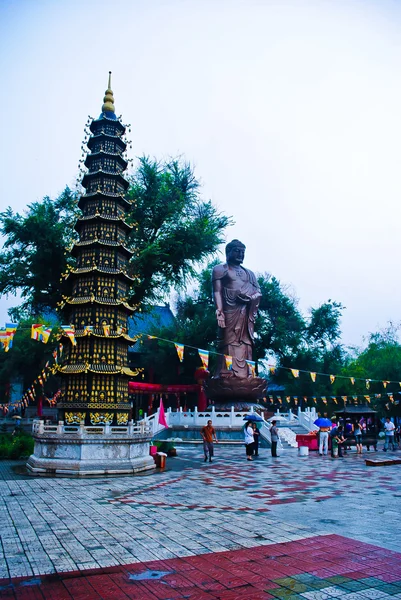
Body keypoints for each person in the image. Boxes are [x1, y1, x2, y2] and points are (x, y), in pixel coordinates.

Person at [212, 240, 262, 378]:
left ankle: (247, 373)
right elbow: (216, 292)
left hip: (245, 313)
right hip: (229, 311)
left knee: (246, 342)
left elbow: (258, 292)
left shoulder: (250, 273)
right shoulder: (220, 269)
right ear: (228, 252)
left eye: (243, 252)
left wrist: (251, 298)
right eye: (237, 251)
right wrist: (219, 311)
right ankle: (226, 372)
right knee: (228, 341)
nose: (240, 254)